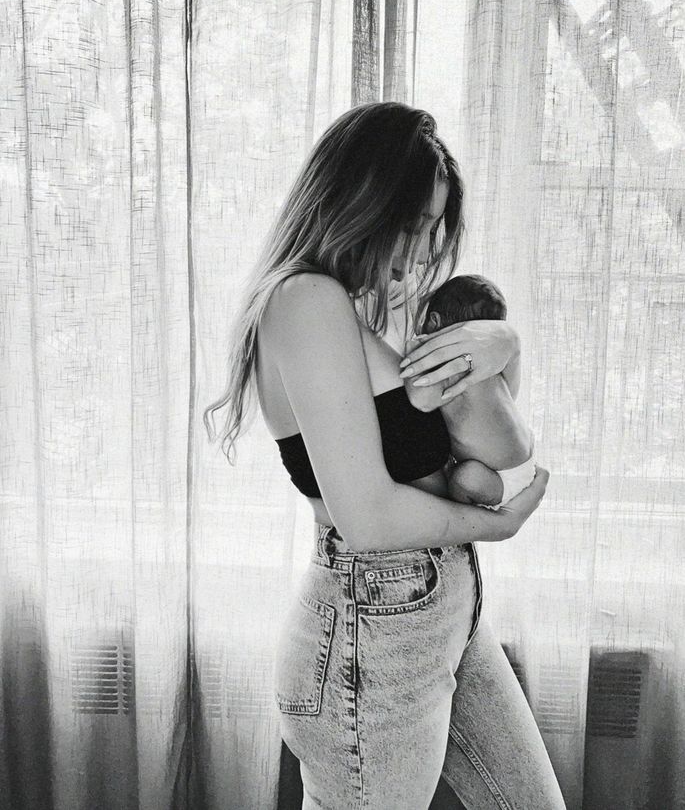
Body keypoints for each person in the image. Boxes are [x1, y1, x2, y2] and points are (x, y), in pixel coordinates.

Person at [204, 102, 567, 809]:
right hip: (372, 629)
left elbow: (471, 438)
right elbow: (368, 516)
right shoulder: (303, 300)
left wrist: (505, 347)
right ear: (360, 198)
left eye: (434, 226)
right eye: (413, 223)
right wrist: (498, 527)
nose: (424, 247)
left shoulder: (362, 301)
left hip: (440, 611)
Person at [403, 273, 538, 513]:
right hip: (521, 456)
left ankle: (468, 514)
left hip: (495, 477)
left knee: (462, 479)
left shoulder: (446, 362)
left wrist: (410, 353)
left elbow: (422, 401)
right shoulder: (489, 361)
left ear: (433, 321)